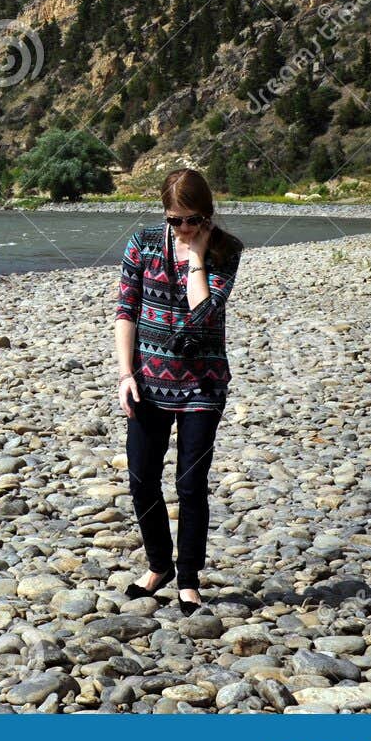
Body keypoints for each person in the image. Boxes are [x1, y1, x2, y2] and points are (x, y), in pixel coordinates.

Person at [113, 168, 243, 615]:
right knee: (141, 478)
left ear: (207, 214)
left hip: (203, 384)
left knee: (191, 484)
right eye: (176, 220)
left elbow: (202, 310)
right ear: (164, 215)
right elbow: (126, 308)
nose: (184, 228)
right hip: (147, 381)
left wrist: (197, 256)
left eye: (193, 219)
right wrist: (125, 373)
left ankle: (187, 577)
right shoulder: (142, 243)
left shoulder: (227, 249)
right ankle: (157, 566)